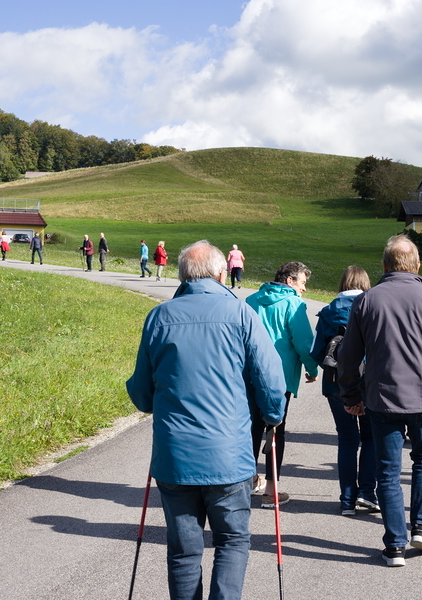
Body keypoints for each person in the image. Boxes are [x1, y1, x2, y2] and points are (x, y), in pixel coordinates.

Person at [126, 240, 287, 600]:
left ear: (183, 276)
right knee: (232, 542)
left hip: (175, 459)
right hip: (229, 456)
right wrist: (273, 416)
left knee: (183, 551)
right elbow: (272, 380)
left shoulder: (159, 318)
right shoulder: (242, 314)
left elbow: (140, 395)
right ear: (221, 273)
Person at [337, 235, 422, 567]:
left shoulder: (367, 301)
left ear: (384, 266)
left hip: (381, 399)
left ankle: (395, 545)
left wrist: (351, 396)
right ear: (417, 265)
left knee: (388, 471)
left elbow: (348, 357)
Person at [245, 261, 318, 508]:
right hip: (280, 377)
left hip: (252, 374)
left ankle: (247, 482)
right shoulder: (293, 304)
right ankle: (271, 492)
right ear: (289, 280)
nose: (304, 289)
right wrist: (312, 367)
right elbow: (303, 341)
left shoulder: (251, 300)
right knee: (275, 429)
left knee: (252, 428)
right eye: (302, 283)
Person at [310, 265, 378, 516]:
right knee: (370, 437)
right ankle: (367, 493)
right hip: (370, 383)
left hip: (335, 383)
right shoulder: (373, 308)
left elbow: (318, 352)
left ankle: (347, 500)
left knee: (347, 440)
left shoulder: (328, 312)